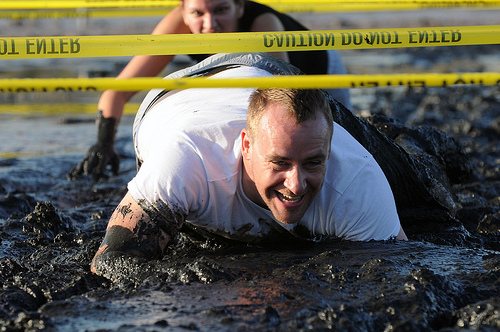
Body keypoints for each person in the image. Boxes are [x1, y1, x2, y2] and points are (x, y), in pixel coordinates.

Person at [90, 53, 406, 281]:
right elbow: (110, 263)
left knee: (413, 194)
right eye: (280, 163)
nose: (295, 184)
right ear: (247, 147)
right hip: (176, 95)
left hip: (275, 76)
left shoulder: (357, 182)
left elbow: (396, 281)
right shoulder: (186, 161)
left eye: (312, 163)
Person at [68, 0, 351, 180]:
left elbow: (284, 100)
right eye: (197, 13)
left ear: (240, 7)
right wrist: (103, 143)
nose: (209, 25)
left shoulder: (264, 25)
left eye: (221, 10)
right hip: (248, 72)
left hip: (320, 71)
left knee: (338, 143)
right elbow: (118, 92)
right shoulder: (175, 27)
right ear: (182, 10)